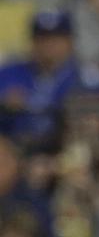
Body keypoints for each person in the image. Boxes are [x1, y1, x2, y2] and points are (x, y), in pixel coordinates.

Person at [0, 10, 83, 148]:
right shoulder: (9, 73)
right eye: (42, 39)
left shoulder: (85, 76)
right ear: (31, 41)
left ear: (70, 41)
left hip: (61, 148)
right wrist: (4, 105)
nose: (48, 45)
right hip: (11, 148)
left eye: (55, 39)